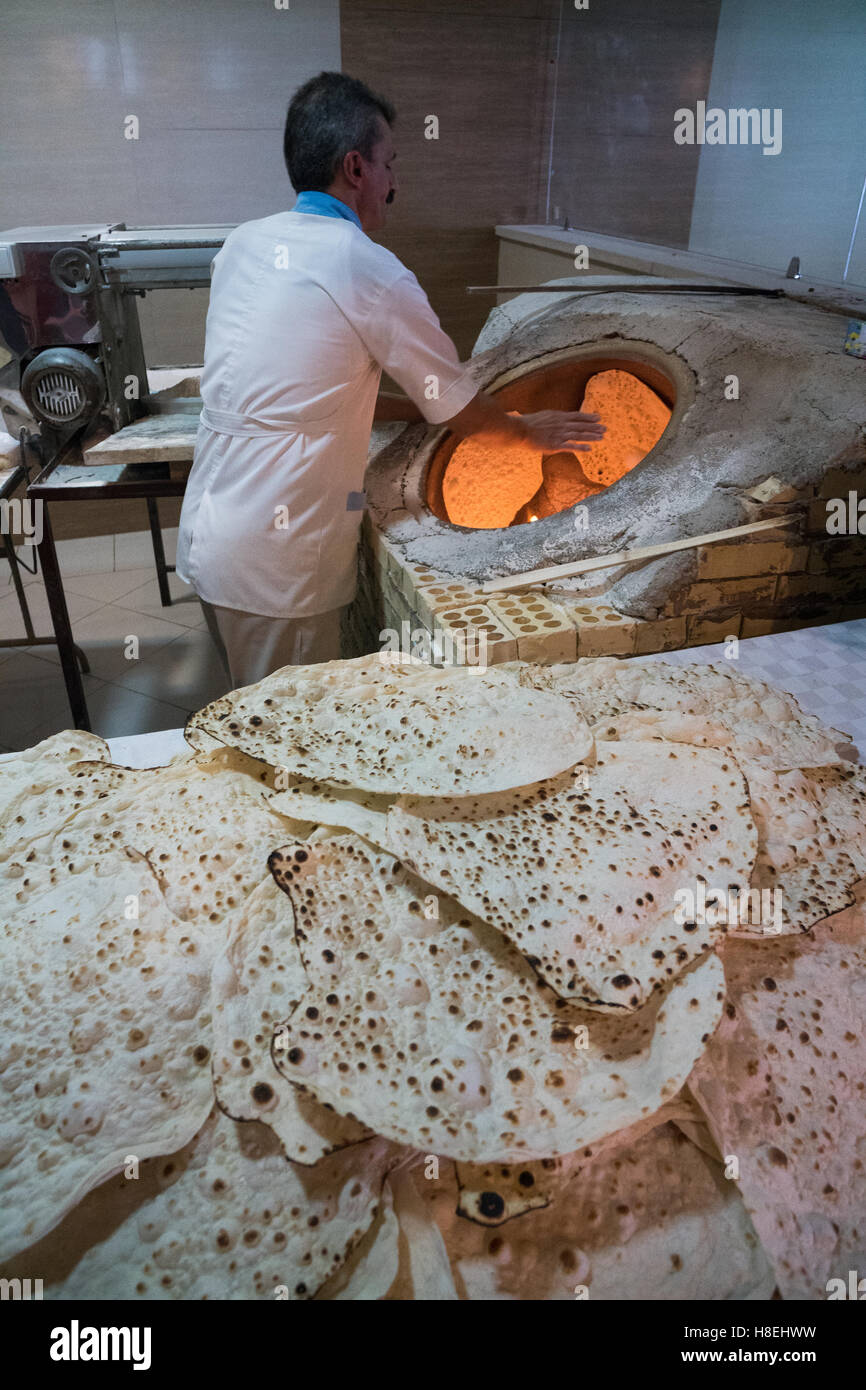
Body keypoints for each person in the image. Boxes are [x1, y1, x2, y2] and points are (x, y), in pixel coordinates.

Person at [176, 71, 605, 689]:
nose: (394, 182)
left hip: (211, 532)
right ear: (356, 167)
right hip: (279, 560)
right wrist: (524, 431)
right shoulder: (367, 267)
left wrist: (413, 412)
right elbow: (457, 404)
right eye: (389, 163)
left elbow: (307, 388)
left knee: (250, 713)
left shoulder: (245, 244)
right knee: (288, 737)